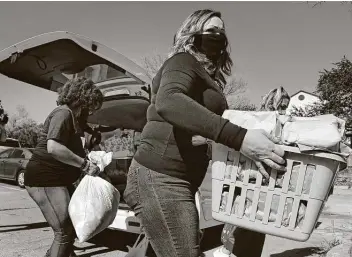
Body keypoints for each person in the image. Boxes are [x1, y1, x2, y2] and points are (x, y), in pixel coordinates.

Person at [123, 9, 286, 257]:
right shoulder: (181, 61)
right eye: (211, 31)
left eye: (221, 32)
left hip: (181, 180)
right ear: (191, 33)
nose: (218, 36)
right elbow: (169, 102)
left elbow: (196, 127)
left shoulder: (207, 79)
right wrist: (240, 138)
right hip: (160, 177)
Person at [24, 77, 104, 257]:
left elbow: (83, 139)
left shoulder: (75, 118)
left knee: (72, 227)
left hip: (58, 179)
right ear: (83, 100)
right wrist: (84, 165)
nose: (91, 112)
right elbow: (54, 147)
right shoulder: (63, 113)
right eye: (91, 106)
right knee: (64, 232)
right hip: (44, 178)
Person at [219, 86, 291, 257]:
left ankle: (229, 251)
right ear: (272, 104)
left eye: (286, 106)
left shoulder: (281, 123)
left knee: (255, 229)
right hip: (248, 182)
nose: (284, 110)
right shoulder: (260, 122)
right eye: (282, 106)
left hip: (262, 185)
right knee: (244, 228)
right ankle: (227, 251)